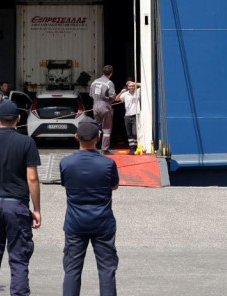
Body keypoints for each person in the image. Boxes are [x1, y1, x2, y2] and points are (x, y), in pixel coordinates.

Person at [0, 100, 42, 296]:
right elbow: (32, 178)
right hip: (17, 206)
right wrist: (36, 209)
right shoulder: (27, 142)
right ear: (18, 120)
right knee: (19, 258)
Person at [59, 121, 120, 296]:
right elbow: (114, 185)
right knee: (107, 270)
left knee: (72, 270)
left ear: (76, 137)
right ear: (98, 138)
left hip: (75, 223)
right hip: (102, 222)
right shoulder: (108, 164)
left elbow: (66, 184)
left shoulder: (66, 163)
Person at [89, 65, 116, 154]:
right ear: (111, 73)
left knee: (96, 127)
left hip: (95, 107)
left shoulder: (94, 82)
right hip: (105, 107)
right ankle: (105, 149)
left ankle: (93, 146)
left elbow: (91, 95)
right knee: (107, 129)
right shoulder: (109, 83)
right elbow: (113, 97)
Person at [115, 81, 140, 151]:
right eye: (130, 86)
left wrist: (134, 83)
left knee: (135, 133)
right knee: (129, 134)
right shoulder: (125, 94)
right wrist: (121, 92)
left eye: (132, 86)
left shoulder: (138, 92)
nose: (131, 87)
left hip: (135, 115)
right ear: (127, 87)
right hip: (127, 116)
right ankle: (132, 149)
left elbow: (143, 85)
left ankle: (136, 147)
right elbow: (116, 99)